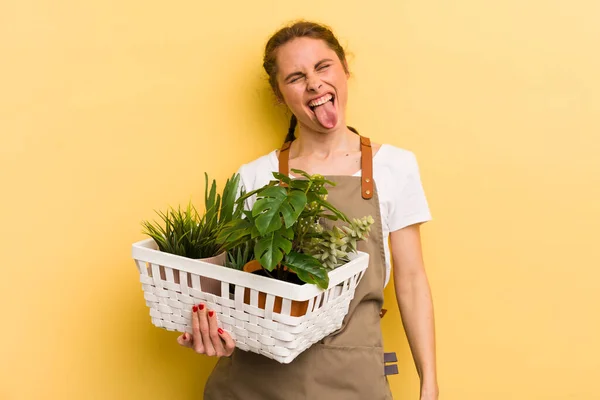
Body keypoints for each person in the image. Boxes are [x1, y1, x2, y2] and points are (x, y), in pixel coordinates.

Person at [177, 21, 439, 400]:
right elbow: (229, 287)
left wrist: (428, 384)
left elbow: (412, 282)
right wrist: (208, 329)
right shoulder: (254, 176)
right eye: (296, 77)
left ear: (345, 70)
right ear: (280, 95)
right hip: (255, 382)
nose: (314, 84)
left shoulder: (395, 167)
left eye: (323, 66)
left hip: (353, 378)